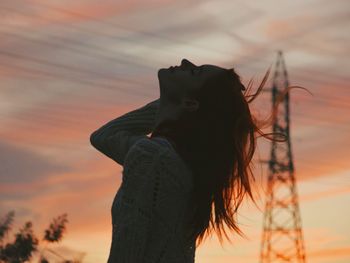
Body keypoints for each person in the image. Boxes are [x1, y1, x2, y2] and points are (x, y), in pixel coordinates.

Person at [89, 58, 305, 263]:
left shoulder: (152, 156)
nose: (184, 62)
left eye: (194, 72)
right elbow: (103, 137)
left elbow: (126, 252)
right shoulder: (178, 164)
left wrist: (171, 108)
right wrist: (171, 108)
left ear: (191, 103)